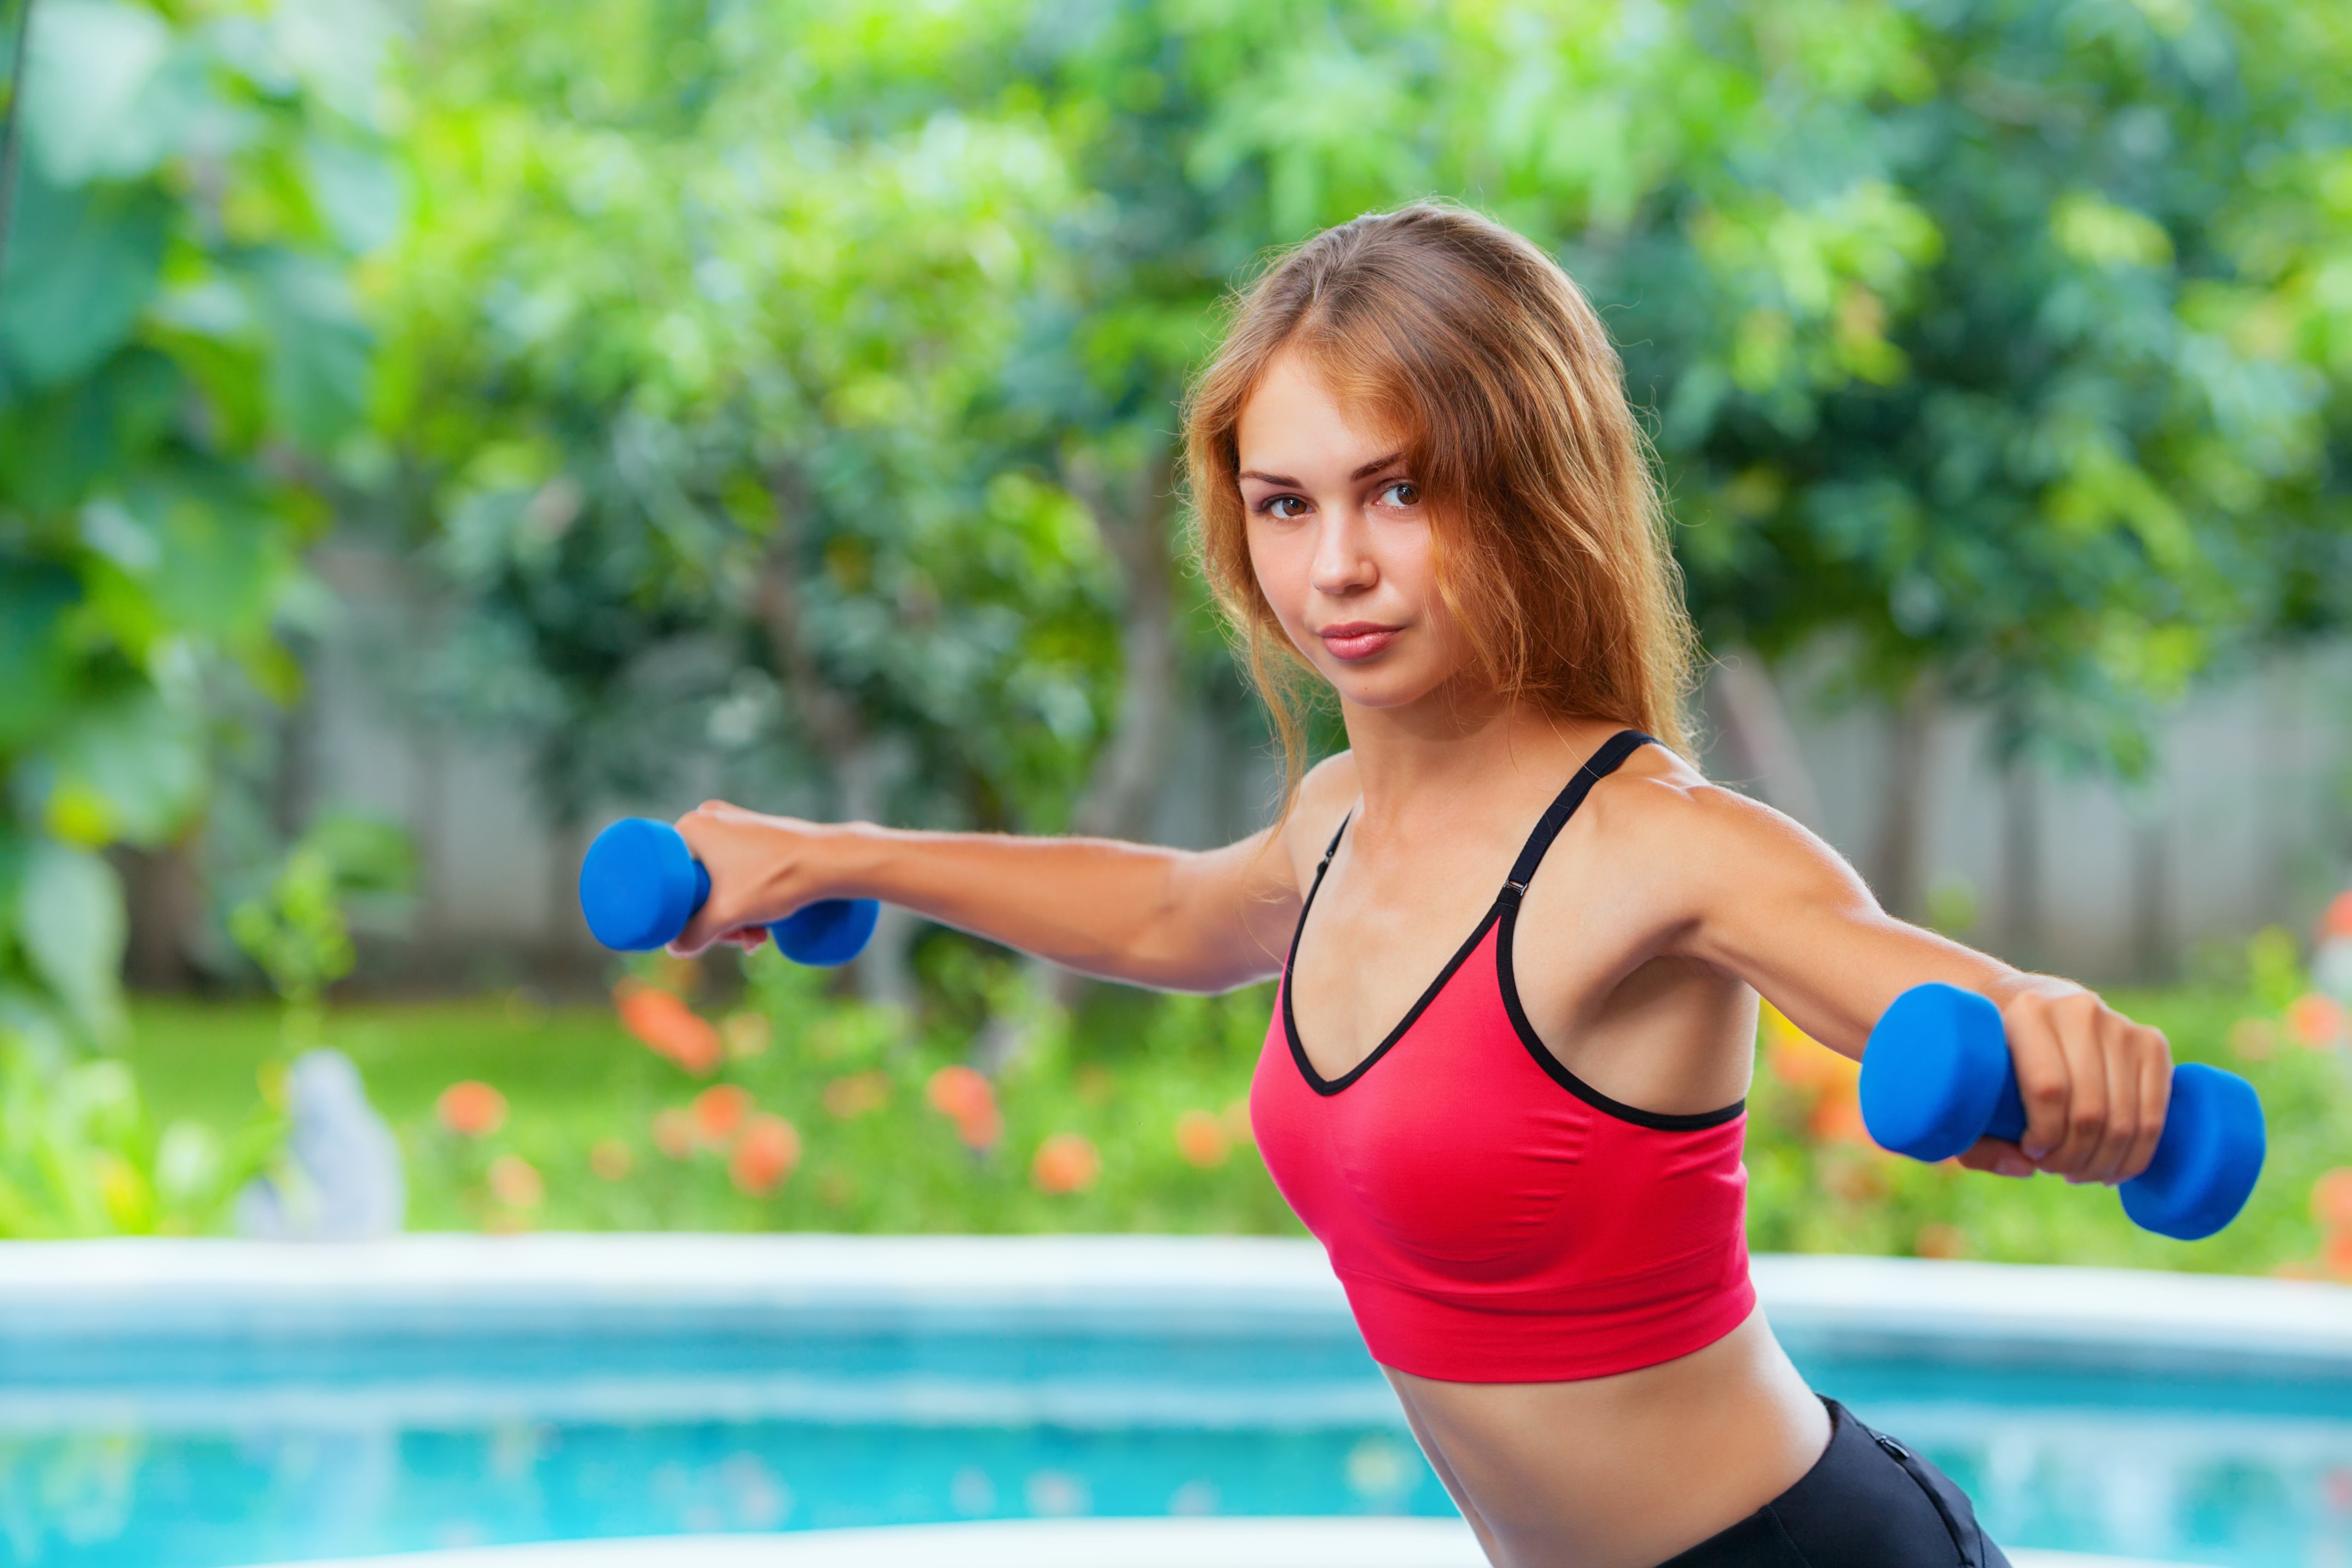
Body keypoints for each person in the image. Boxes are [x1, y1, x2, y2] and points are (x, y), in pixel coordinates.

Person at [668, 203, 2172, 1568]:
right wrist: (834, 856)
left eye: (1397, 492)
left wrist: (2043, 1029)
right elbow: (1169, 912)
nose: (1336, 569)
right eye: (1285, 505)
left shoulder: (1651, 844)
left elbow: (1877, 962)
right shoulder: (1334, 826)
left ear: (1529, 490)